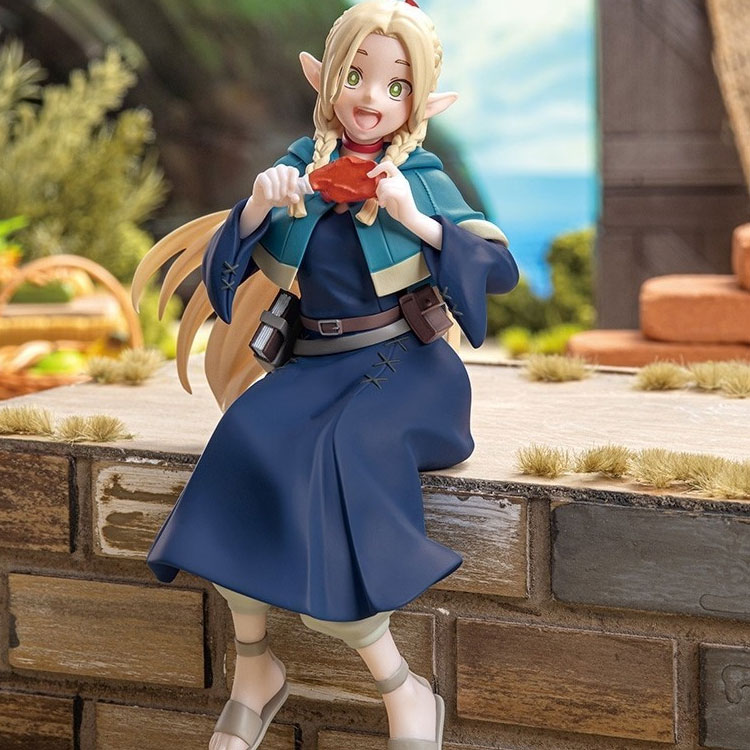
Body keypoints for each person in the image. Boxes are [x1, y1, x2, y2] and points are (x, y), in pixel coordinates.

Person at [130, 2, 519, 749]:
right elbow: (228, 269)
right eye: (355, 76)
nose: (371, 98)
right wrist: (255, 209)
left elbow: (497, 268)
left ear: (419, 100)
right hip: (315, 362)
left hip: (406, 368)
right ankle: (254, 669)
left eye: (395, 86)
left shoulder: (419, 176)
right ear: (326, 78)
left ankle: (403, 689)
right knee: (245, 433)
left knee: (339, 451)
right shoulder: (297, 166)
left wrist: (417, 220)